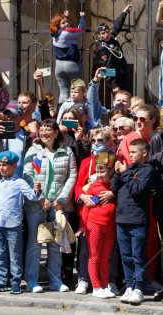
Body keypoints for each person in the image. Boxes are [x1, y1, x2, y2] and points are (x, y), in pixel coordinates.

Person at [23, 120, 78, 293]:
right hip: (36, 205)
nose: (44, 133)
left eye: (48, 130)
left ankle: (55, 280)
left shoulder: (67, 151)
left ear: (56, 132)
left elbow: (72, 176)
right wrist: (40, 197)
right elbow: (27, 174)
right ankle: (32, 280)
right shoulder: (33, 151)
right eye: (41, 130)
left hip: (59, 205)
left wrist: (62, 199)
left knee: (56, 244)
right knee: (34, 243)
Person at [0, 150, 39, 294]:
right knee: (0, 254)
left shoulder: (19, 182)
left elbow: (32, 197)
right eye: (0, 165)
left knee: (15, 255)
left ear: (14, 165)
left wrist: (36, 190)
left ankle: (16, 282)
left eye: (5, 165)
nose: (2, 168)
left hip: (14, 225)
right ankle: (1, 280)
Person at [112, 138, 156, 305]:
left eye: (133, 152)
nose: (129, 155)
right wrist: (117, 174)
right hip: (122, 218)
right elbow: (114, 189)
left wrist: (124, 173)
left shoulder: (148, 170)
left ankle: (139, 288)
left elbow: (137, 189)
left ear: (144, 153)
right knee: (126, 257)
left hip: (137, 220)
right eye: (129, 152)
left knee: (138, 256)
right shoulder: (128, 169)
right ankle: (129, 285)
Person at [77, 152, 118, 299]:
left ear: (112, 170)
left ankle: (105, 285)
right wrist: (82, 225)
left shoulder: (115, 186)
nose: (100, 174)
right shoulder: (92, 187)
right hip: (94, 225)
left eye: (103, 170)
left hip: (111, 226)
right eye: (97, 171)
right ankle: (96, 286)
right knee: (94, 256)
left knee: (105, 257)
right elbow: (87, 207)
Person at [93, 4, 132, 93]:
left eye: (107, 32)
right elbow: (106, 67)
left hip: (123, 75)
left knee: (128, 99)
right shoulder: (103, 47)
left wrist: (124, 12)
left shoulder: (111, 38)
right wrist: (113, 85)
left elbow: (117, 25)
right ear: (99, 35)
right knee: (120, 103)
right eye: (103, 33)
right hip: (117, 79)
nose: (106, 35)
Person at [50, 10, 86, 102]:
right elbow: (81, 29)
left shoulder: (54, 35)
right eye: (63, 23)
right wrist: (82, 17)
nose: (66, 24)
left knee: (63, 92)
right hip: (71, 65)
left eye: (67, 22)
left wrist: (66, 18)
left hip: (59, 66)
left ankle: (62, 112)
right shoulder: (66, 33)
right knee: (78, 90)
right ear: (58, 25)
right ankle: (79, 111)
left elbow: (68, 28)